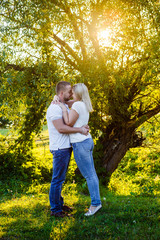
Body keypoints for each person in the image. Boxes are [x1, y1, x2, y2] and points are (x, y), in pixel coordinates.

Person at [57, 83, 102, 216]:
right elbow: (68, 102)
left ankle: (95, 204)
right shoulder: (83, 104)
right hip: (87, 141)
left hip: (80, 143)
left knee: (89, 175)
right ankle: (96, 202)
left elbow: (68, 123)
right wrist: (59, 99)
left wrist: (63, 110)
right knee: (92, 174)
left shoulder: (77, 105)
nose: (71, 94)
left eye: (73, 92)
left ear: (78, 93)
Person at [46, 81, 89, 218]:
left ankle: (59, 204)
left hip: (65, 148)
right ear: (62, 93)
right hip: (60, 149)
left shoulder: (62, 104)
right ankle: (55, 210)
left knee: (60, 178)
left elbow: (77, 101)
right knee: (57, 180)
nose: (72, 94)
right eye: (70, 91)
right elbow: (61, 128)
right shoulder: (54, 108)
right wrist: (80, 130)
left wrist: (58, 99)